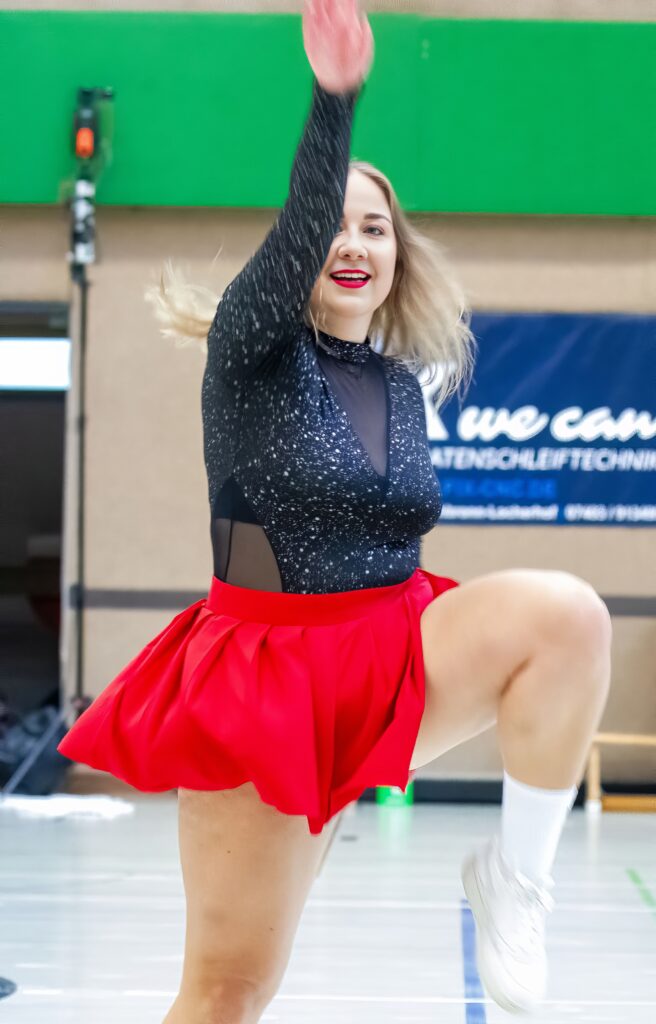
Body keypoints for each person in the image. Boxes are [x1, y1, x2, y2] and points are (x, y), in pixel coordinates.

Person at [57, 2, 613, 1021]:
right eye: (333, 225)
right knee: (227, 993)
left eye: (375, 228)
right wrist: (336, 98)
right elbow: (304, 219)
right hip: (269, 681)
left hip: (391, 648)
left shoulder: (397, 384)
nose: (351, 243)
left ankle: (515, 880)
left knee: (567, 616)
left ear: (398, 254)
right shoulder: (253, 348)